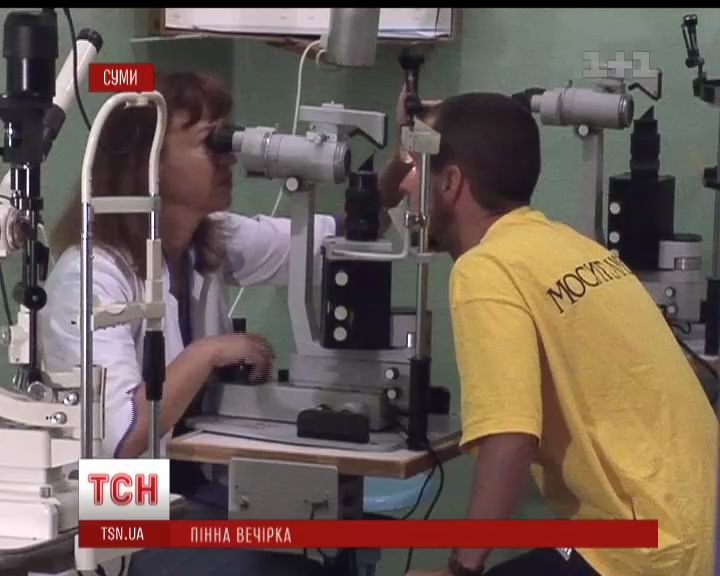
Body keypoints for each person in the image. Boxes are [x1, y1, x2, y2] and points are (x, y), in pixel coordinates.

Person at [383, 92, 719, 575]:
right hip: (698, 531)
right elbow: (379, 206)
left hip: (643, 553)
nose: (405, 182)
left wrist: (461, 569)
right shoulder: (570, 246)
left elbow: (509, 439)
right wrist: (406, 148)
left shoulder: (487, 269)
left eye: (416, 167)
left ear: (451, 182)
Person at [40, 71, 339, 576]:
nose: (229, 157)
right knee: (272, 568)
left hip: (189, 490)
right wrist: (207, 353)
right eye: (210, 142)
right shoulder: (90, 275)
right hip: (118, 509)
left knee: (332, 540)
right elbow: (122, 437)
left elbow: (330, 242)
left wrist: (399, 173)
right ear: (149, 162)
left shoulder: (208, 239)